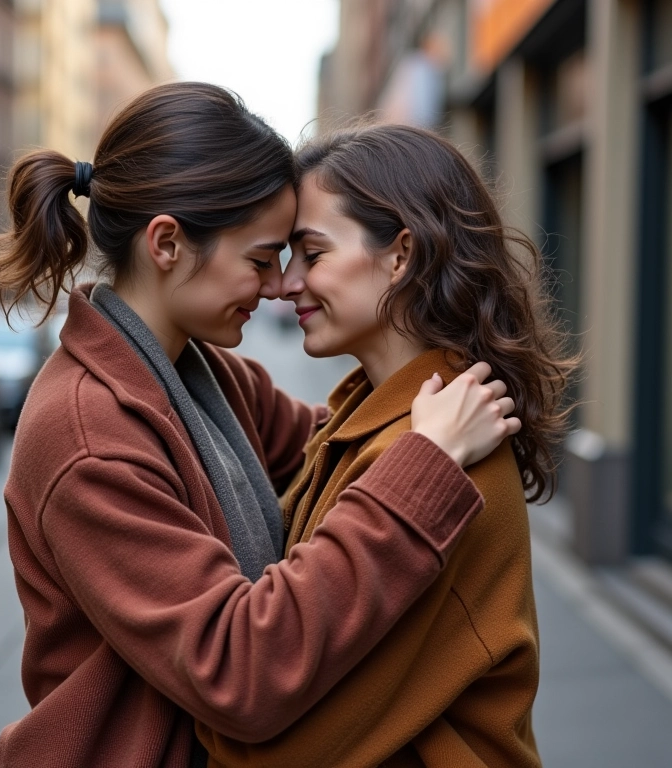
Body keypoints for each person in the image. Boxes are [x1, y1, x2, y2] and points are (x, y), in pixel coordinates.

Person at [0, 84, 520, 768]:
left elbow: (331, 450)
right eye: (262, 258)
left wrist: (422, 400)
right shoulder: (88, 434)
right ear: (169, 243)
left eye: (300, 256)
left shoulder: (195, 373)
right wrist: (427, 464)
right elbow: (236, 668)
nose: (278, 286)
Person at [197, 124, 577, 767]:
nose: (285, 285)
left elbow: (273, 751)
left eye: (311, 255)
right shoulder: (387, 421)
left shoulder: (442, 458)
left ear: (400, 256)